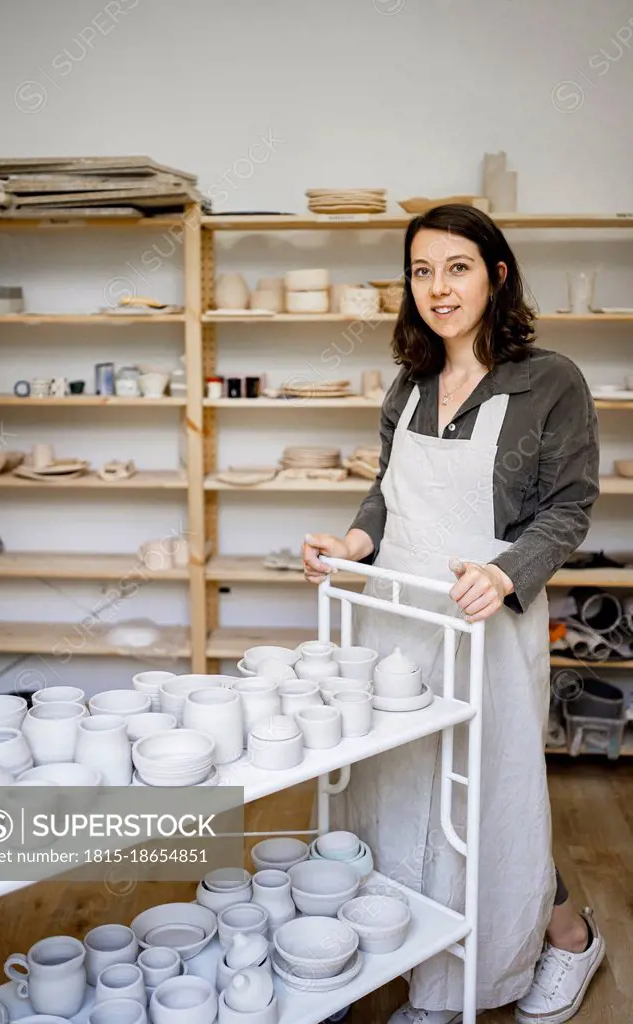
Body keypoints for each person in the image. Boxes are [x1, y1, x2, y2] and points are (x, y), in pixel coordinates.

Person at [302, 205, 606, 1024]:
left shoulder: (551, 381)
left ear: (497, 275)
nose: (438, 287)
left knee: (488, 803)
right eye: (422, 270)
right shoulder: (407, 383)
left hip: (483, 616)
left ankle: (557, 942)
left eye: (458, 267)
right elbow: (387, 490)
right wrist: (355, 540)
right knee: (399, 793)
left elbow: (569, 506)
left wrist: (507, 575)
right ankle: (414, 959)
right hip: (398, 617)